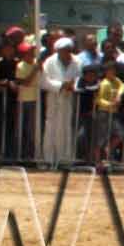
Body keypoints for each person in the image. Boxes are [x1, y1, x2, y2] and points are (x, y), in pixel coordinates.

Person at [40, 37, 80, 166]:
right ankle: (49, 159)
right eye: (63, 50)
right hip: (54, 99)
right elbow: (44, 81)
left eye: (68, 50)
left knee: (67, 128)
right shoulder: (49, 62)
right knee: (52, 128)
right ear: (58, 50)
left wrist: (73, 86)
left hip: (69, 99)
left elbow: (80, 78)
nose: (66, 53)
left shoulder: (77, 61)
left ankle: (66, 159)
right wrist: (62, 85)